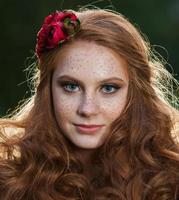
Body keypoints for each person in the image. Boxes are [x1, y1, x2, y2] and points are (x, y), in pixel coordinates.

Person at [0, 7, 179, 200]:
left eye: (108, 88)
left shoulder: (171, 183)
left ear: (135, 93)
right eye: (71, 86)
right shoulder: (9, 183)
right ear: (47, 90)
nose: (87, 109)